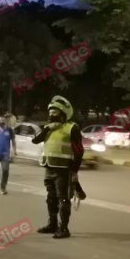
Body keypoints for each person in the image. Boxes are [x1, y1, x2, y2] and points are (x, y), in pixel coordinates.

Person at [31, 96, 83, 239]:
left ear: (63, 113)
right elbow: (35, 140)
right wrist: (47, 128)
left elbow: (79, 151)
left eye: (55, 112)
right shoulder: (49, 128)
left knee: (63, 199)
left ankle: (64, 228)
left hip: (63, 170)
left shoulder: (72, 128)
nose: (51, 114)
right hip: (49, 167)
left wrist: (75, 171)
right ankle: (52, 224)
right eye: (50, 112)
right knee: (50, 198)